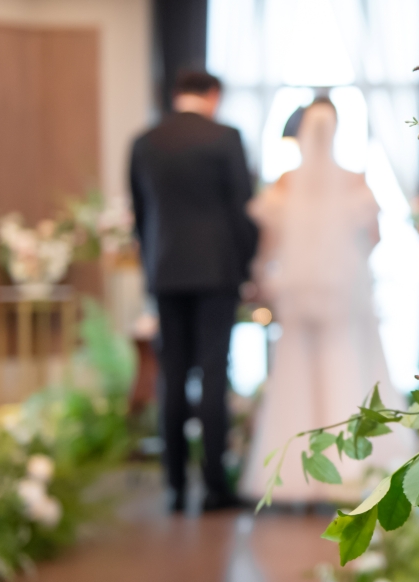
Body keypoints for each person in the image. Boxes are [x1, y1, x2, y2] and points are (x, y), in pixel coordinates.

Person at [240, 98, 411, 504]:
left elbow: (269, 244)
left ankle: (294, 475)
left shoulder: (284, 184)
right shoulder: (354, 181)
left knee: (295, 375)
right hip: (343, 293)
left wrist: (262, 277)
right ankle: (350, 469)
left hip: (297, 293)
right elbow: (374, 237)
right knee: (347, 368)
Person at [130, 71, 258, 512]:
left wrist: (152, 266)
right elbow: (242, 209)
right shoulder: (225, 138)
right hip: (217, 273)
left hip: (165, 272)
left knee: (172, 374)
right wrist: (245, 266)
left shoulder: (144, 141)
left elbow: (140, 216)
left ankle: (175, 486)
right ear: (213, 95)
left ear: (175, 94)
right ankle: (215, 486)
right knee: (214, 375)